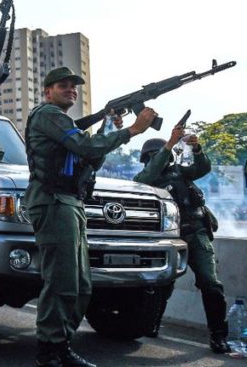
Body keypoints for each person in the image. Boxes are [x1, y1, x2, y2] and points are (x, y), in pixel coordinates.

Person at [24, 67, 156, 367]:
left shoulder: (65, 122)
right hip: (53, 201)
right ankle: (49, 352)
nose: (71, 89)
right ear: (48, 91)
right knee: (62, 282)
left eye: (73, 86)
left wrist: (107, 129)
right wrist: (132, 130)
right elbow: (84, 146)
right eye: (63, 85)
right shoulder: (47, 114)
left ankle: (60, 345)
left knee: (81, 285)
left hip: (70, 202)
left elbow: (91, 156)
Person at [134, 127, 231, 353]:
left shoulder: (180, 171)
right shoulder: (145, 179)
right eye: (157, 155)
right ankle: (152, 323)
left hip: (195, 231)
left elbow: (202, 167)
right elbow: (146, 176)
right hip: (168, 235)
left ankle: (218, 335)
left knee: (210, 283)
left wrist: (196, 148)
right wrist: (168, 145)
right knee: (161, 284)